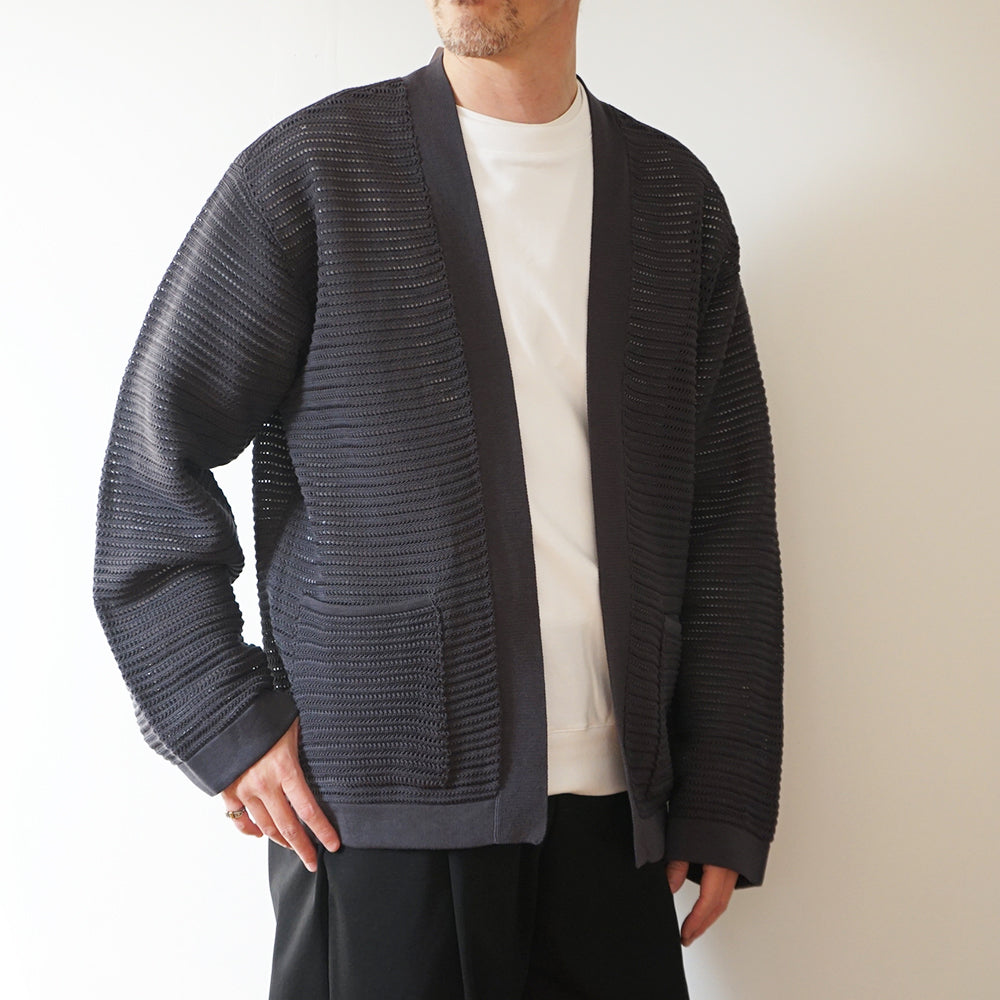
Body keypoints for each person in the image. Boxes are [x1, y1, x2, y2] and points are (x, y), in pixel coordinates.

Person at [94, 2, 783, 997]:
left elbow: (726, 518)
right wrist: (223, 716)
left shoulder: (675, 204)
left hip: (618, 828)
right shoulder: (315, 174)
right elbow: (152, 460)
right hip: (375, 828)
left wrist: (721, 785)